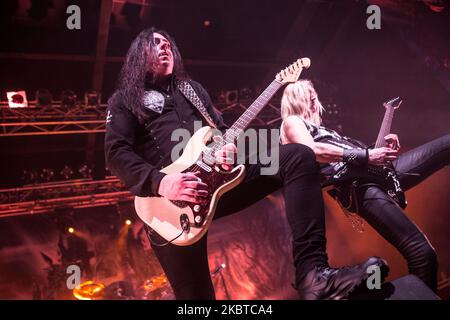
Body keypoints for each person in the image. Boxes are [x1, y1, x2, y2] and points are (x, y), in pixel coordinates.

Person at [105, 27, 387, 300]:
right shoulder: (124, 100)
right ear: (137, 55)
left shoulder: (192, 90)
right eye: (155, 43)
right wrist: (163, 183)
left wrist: (227, 148)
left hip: (217, 186)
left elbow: (219, 130)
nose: (165, 46)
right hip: (166, 207)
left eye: (167, 43)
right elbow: (116, 153)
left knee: (297, 155)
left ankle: (313, 275)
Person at [280, 79, 450, 292]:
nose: (314, 96)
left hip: (380, 175)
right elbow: (310, 151)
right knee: (422, 253)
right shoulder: (292, 123)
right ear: (296, 98)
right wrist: (368, 155)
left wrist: (380, 150)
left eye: (314, 92)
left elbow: (360, 159)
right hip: (359, 188)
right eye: (308, 92)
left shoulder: (324, 130)